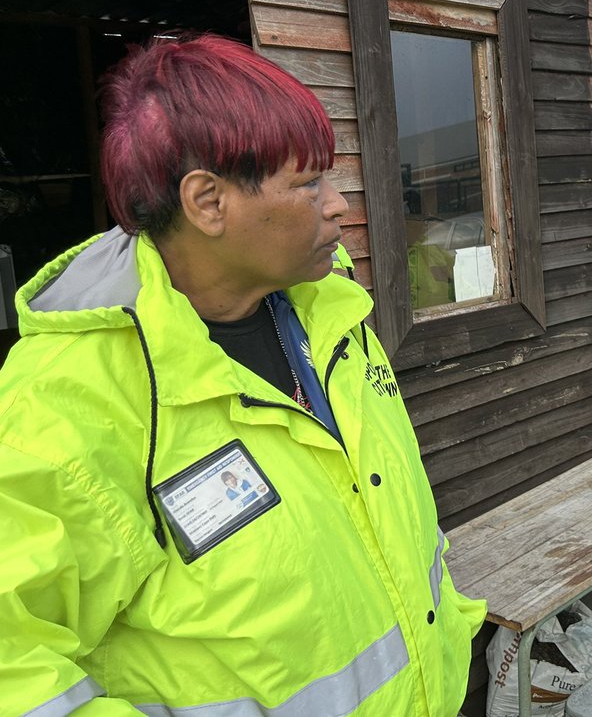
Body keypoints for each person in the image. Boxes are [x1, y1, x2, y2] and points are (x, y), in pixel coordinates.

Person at [0, 35, 485, 714]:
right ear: (207, 203)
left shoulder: (331, 315)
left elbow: (390, 524)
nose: (339, 204)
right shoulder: (65, 399)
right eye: (309, 182)